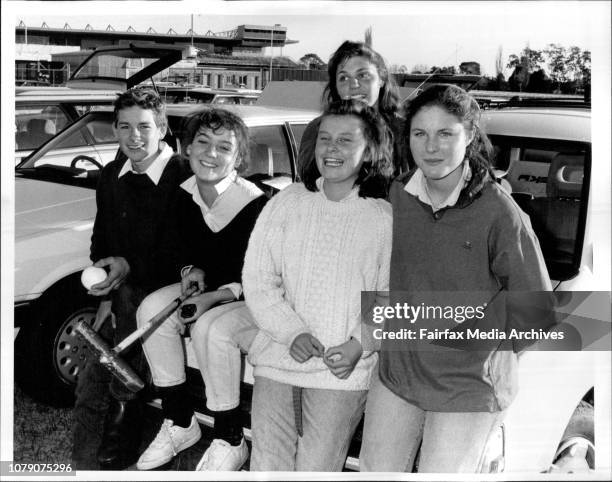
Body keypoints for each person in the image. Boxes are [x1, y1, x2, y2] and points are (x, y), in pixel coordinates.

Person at [359, 84, 553, 472]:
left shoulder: (500, 212)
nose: (431, 147)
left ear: (470, 137)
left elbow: (537, 314)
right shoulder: (397, 197)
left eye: (445, 133)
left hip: (467, 388)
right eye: (420, 133)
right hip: (398, 375)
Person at [243, 100, 393, 471]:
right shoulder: (287, 201)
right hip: (277, 361)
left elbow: (390, 297)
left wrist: (360, 344)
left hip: (341, 375)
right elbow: (258, 278)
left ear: (369, 150)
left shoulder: (383, 218)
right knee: (267, 466)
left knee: (317, 470)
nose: (331, 148)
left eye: (346, 140)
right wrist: (291, 332)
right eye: (325, 138)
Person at [134, 108, 268, 471]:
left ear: (238, 157)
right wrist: (189, 270)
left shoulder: (257, 203)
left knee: (211, 329)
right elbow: (175, 249)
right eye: (203, 143)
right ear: (187, 148)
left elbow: (262, 275)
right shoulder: (183, 194)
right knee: (150, 311)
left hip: (246, 297)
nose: (211, 153)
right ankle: (180, 421)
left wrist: (214, 295)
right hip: (206, 290)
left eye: (224, 147)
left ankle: (231, 437)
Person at [72, 88, 189, 470]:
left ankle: (118, 440)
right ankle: (84, 460)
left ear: (163, 128)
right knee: (92, 374)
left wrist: (127, 270)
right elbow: (101, 238)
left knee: (123, 335)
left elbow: (184, 253)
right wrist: (104, 289)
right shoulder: (110, 175)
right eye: (124, 126)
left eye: (144, 126)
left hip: (167, 294)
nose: (133, 136)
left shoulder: (184, 176)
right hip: (122, 293)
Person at [298, 40, 406, 176]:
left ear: (381, 79)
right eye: (344, 78)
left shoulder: (404, 132)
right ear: (335, 86)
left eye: (363, 75)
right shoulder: (316, 130)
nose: (353, 84)